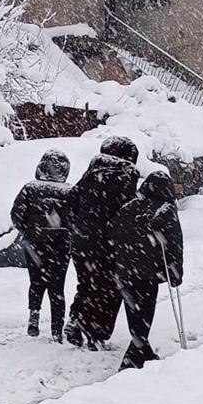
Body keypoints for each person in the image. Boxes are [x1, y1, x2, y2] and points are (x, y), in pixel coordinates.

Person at [62, 136, 140, 350]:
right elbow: (127, 212)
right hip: (108, 243)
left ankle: (77, 320)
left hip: (82, 242)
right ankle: (96, 332)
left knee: (86, 283)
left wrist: (78, 228)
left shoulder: (91, 173)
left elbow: (70, 203)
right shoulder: (126, 175)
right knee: (110, 288)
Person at [110, 170, 184, 370]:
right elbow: (174, 244)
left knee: (134, 312)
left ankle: (145, 353)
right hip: (148, 272)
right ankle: (130, 360)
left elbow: (114, 236)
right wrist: (175, 272)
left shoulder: (127, 208)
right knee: (145, 313)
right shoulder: (165, 210)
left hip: (124, 271)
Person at [10, 149, 72, 342]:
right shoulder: (69, 191)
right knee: (57, 287)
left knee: (36, 282)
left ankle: (34, 317)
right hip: (60, 245)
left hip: (34, 243)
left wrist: (28, 231)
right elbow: (76, 218)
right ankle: (56, 330)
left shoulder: (30, 188)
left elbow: (16, 214)